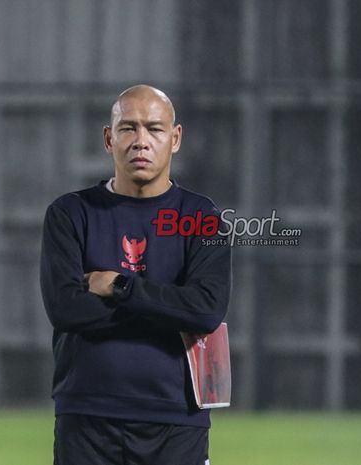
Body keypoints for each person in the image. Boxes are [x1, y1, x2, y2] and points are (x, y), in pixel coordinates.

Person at [40, 84, 231, 465]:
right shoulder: (70, 213)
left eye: (154, 129)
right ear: (109, 139)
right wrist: (169, 307)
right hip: (87, 416)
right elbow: (66, 310)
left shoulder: (203, 217)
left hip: (177, 420)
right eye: (128, 128)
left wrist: (119, 286)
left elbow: (207, 311)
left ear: (175, 139)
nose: (141, 141)